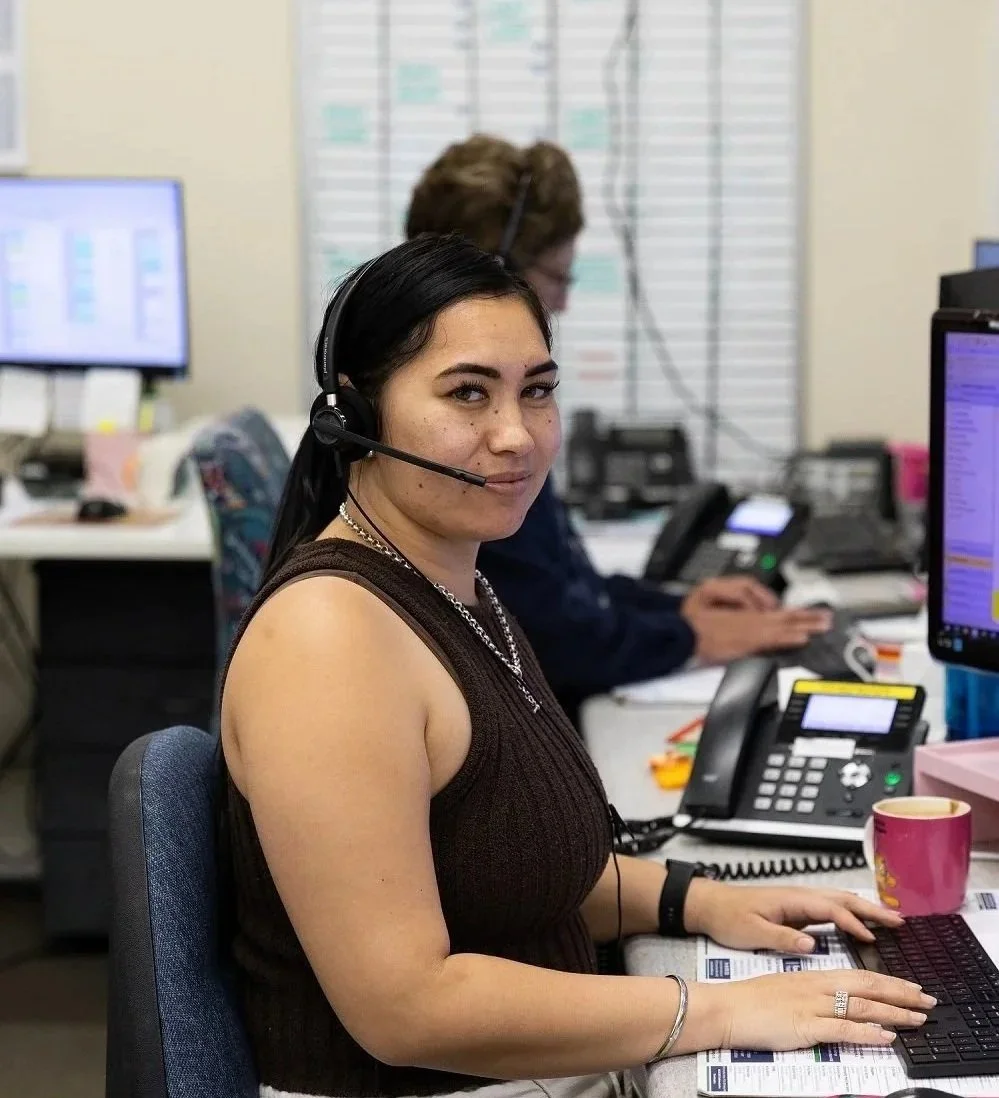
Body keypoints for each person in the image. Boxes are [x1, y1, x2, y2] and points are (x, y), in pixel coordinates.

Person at [220, 233, 929, 1098]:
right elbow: (405, 1008)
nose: (516, 435)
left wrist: (698, 901)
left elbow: (504, 870)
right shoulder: (328, 643)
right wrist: (717, 1010)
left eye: (538, 391)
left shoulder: (452, 583)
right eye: (467, 394)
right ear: (356, 417)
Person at [406, 135, 830, 724]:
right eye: (558, 277)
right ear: (496, 278)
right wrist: (689, 639)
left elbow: (561, 592)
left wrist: (677, 611)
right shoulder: (458, 441)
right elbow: (550, 635)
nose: (561, 304)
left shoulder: (492, 414)